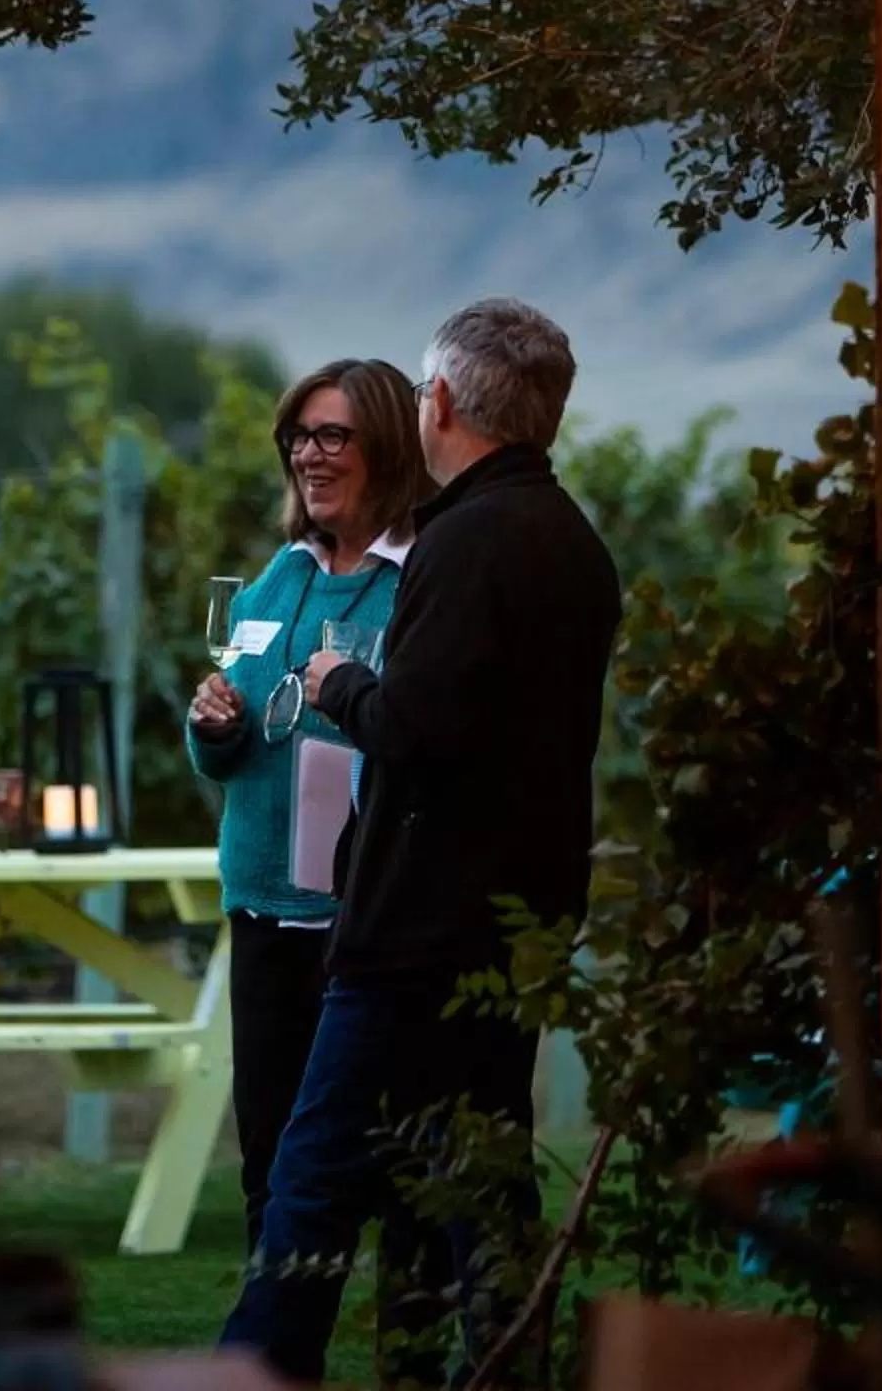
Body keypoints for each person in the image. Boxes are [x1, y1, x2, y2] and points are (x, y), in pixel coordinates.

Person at [218, 299, 623, 1388]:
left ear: (439, 403)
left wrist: (339, 683)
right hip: (518, 915)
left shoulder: (466, 540)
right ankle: (500, 1360)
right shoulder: (577, 543)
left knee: (311, 1172)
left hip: (417, 921)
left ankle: (256, 1369)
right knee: (483, 1175)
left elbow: (417, 727)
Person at [186, 358, 434, 1258]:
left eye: (334, 435)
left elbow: (420, 735)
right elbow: (235, 747)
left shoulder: (421, 583)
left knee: (394, 1167)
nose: (309, 456)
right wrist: (214, 724)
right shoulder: (276, 580)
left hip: (364, 921)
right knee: (273, 1165)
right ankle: (281, 1357)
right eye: (299, 436)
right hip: (260, 912)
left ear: (391, 449)